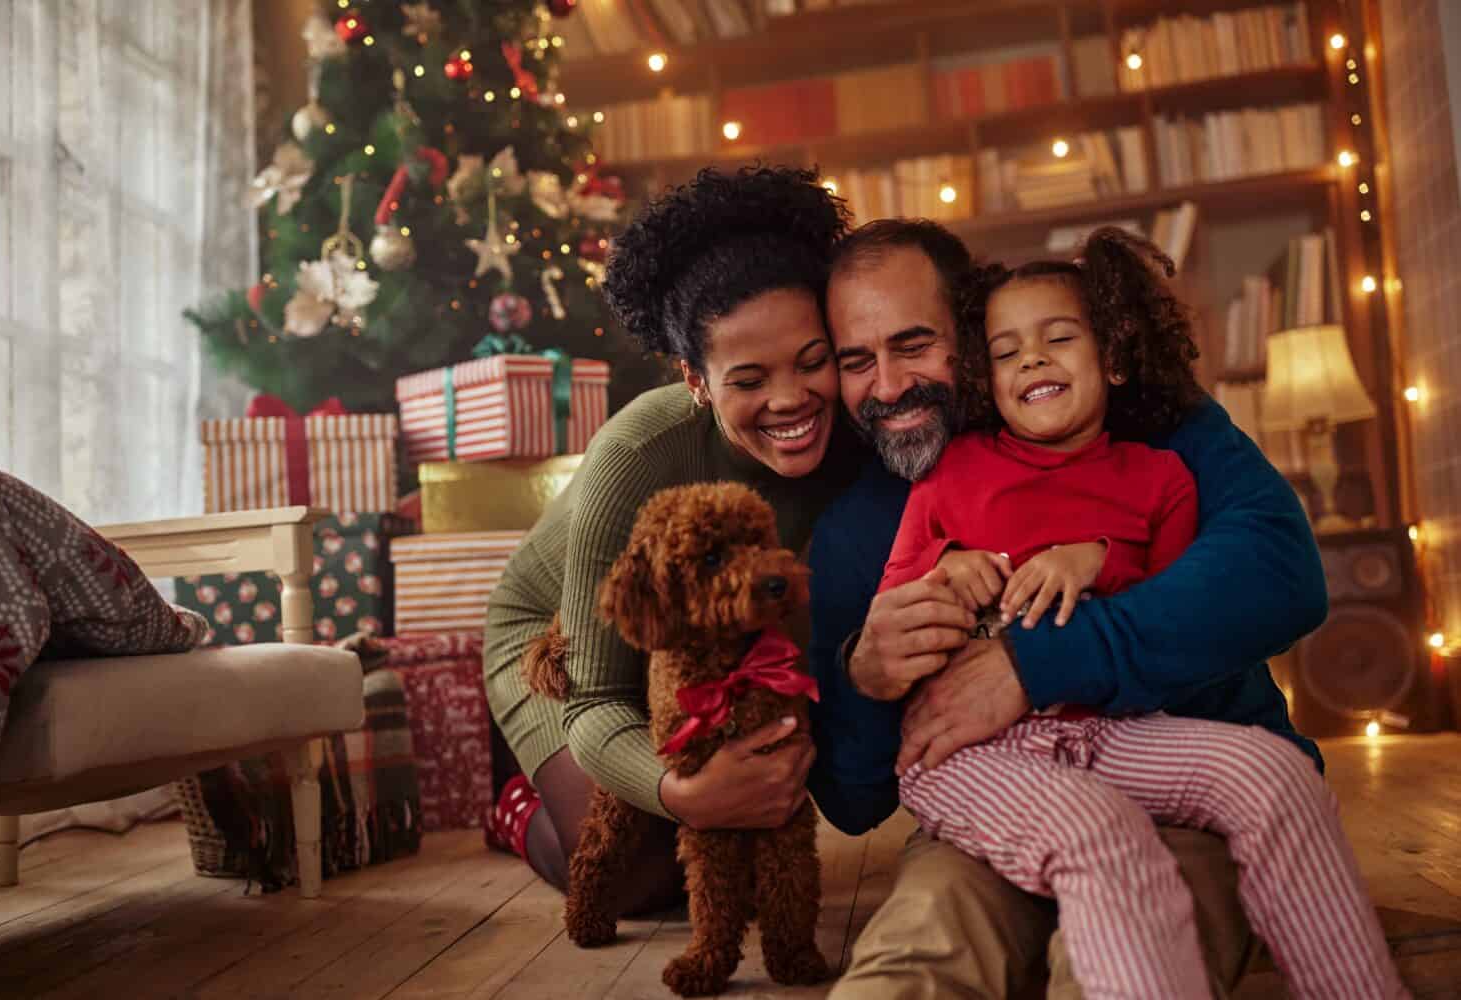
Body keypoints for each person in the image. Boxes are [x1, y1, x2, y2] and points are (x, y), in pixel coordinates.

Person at [807, 217, 1331, 998]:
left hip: (1182, 796)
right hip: (994, 812)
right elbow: (852, 803)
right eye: (857, 360)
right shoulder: (861, 526)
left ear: (975, 332)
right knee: (912, 965)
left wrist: (1036, 663)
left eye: (915, 345)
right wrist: (866, 676)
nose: (886, 386)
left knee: (1116, 969)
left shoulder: (1139, 417)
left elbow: (1283, 570)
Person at [481, 166, 859, 914]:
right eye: (748, 379)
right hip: (566, 647)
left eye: (813, 362)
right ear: (695, 379)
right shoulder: (641, 450)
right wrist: (680, 791)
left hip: (710, 650)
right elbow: (598, 697)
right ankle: (518, 808)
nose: (791, 399)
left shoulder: (862, 434)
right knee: (639, 879)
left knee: (741, 856)